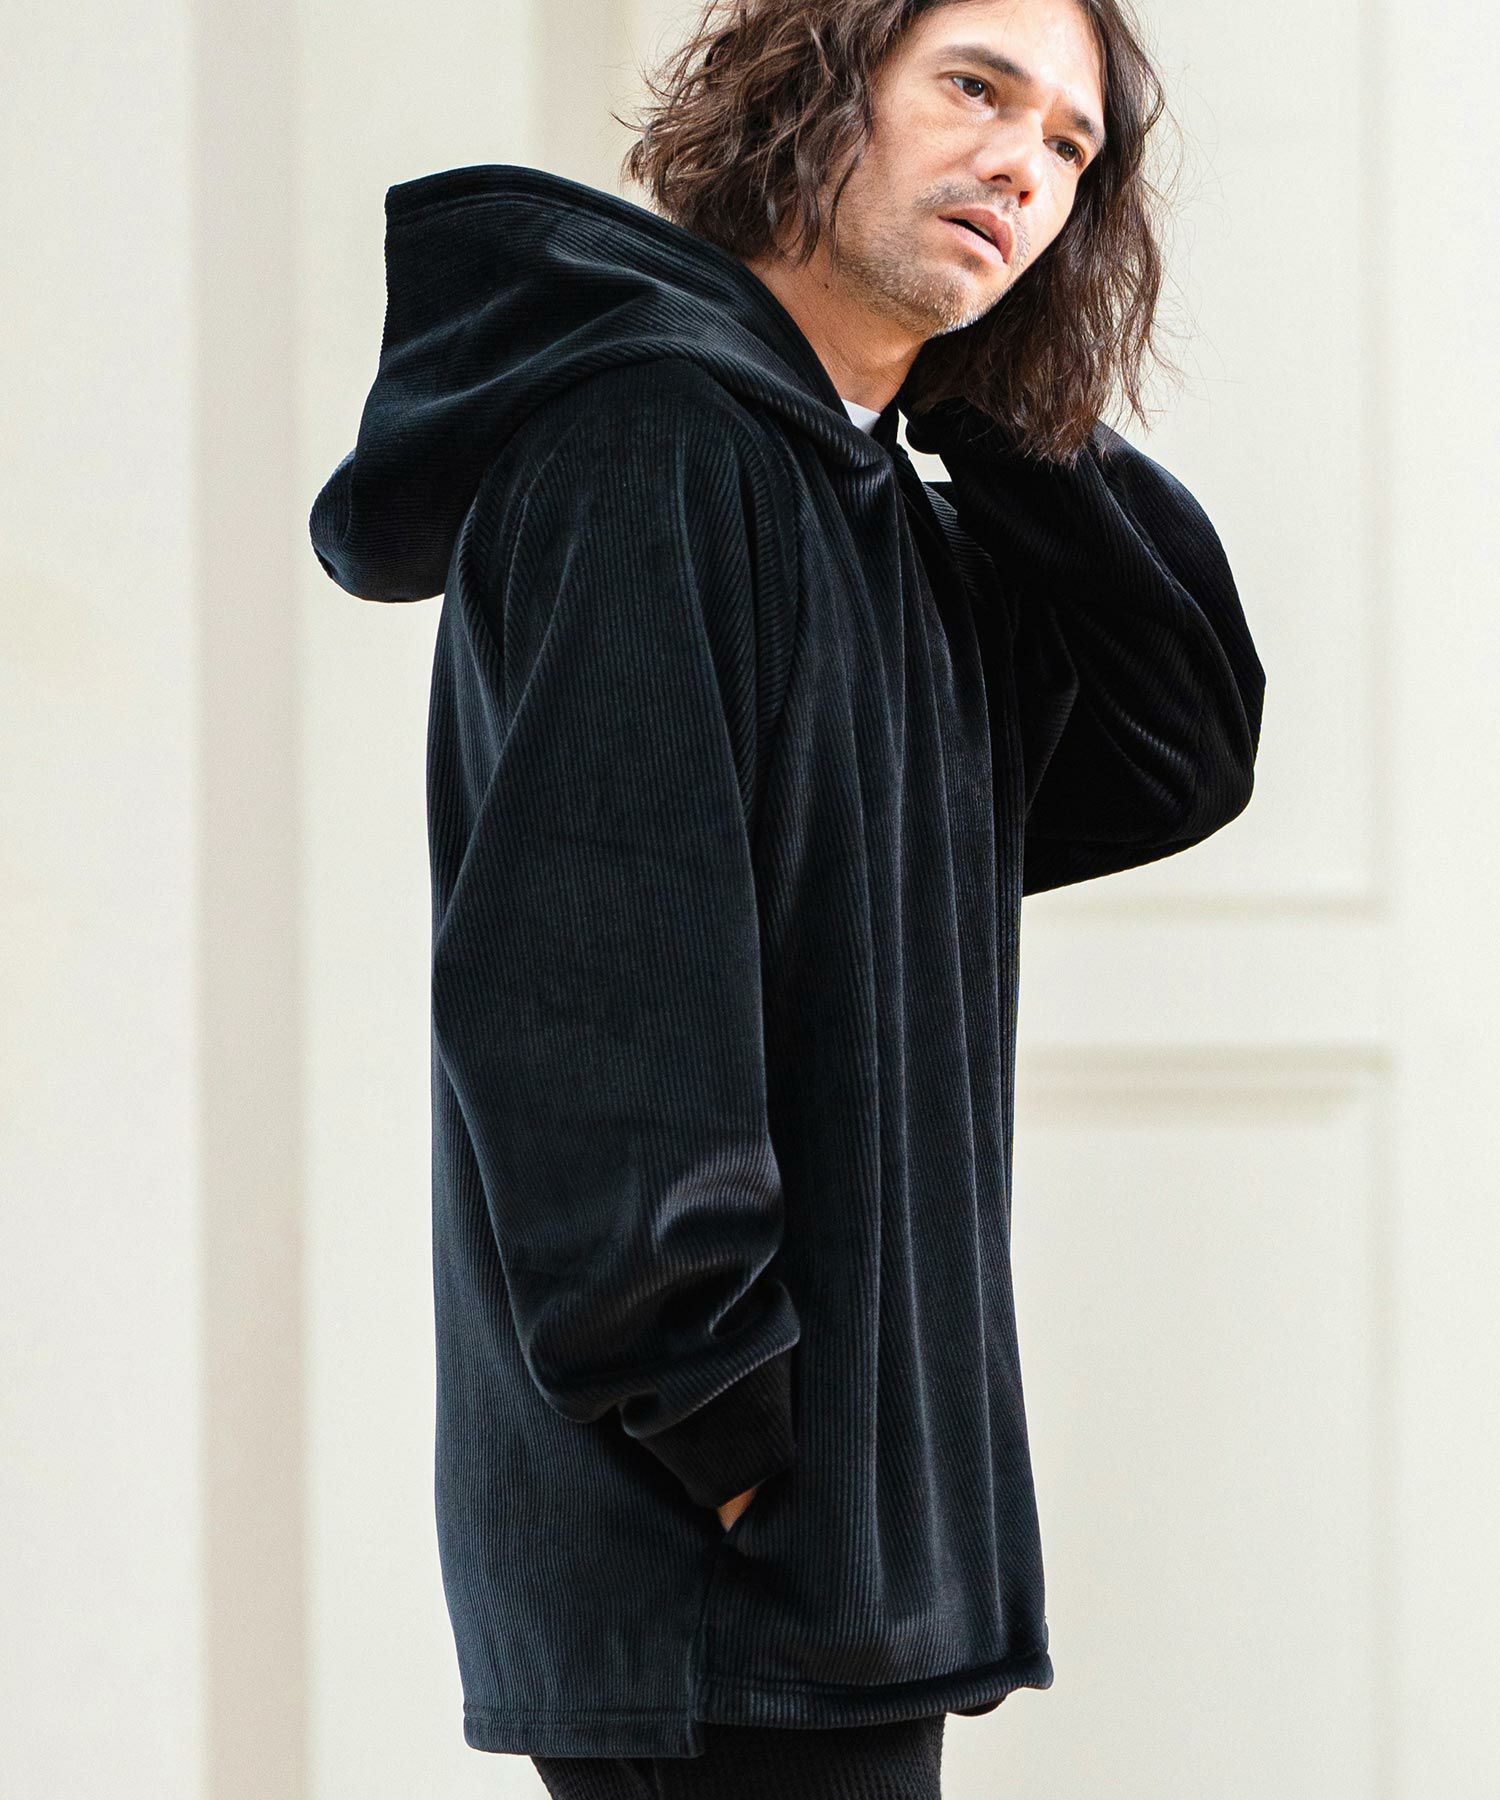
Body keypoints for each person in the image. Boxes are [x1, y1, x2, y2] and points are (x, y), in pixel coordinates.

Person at [308, 0, 1266, 1792]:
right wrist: (742, 1439)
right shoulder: (656, 447)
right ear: (815, 92)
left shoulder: (873, 513)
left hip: (835, 1552)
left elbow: (1179, 748)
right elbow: (584, 994)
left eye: (1070, 147)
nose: (1021, 164)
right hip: (716, 1566)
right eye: (973, 88)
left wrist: (1004, 410)